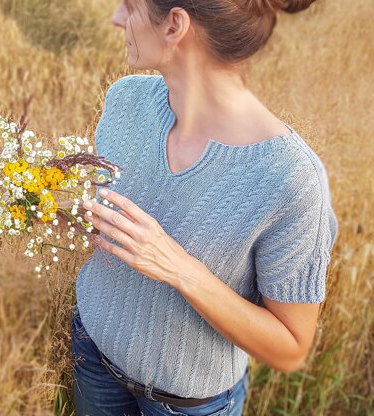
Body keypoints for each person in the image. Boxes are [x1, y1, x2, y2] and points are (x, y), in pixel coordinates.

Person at [71, 0, 339, 415]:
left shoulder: (291, 179)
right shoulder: (124, 101)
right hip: (93, 362)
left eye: (128, 7)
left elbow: (291, 350)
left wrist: (179, 267)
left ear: (174, 25)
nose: (116, 19)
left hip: (186, 405)